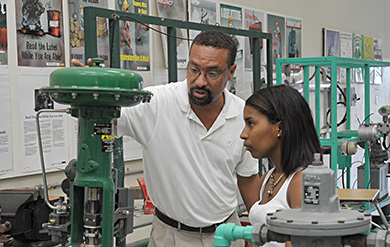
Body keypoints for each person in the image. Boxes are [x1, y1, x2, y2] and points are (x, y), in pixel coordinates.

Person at [73, 30, 260, 247]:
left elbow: (247, 176)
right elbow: (107, 118)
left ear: (231, 72)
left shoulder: (242, 114)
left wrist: (257, 231)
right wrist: (93, 91)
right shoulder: (156, 104)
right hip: (170, 236)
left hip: (226, 234)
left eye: (212, 73)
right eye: (193, 69)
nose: (199, 81)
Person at [240, 85, 322, 247]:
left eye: (251, 123)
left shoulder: (301, 181)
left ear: (280, 127)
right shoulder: (268, 178)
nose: (243, 134)